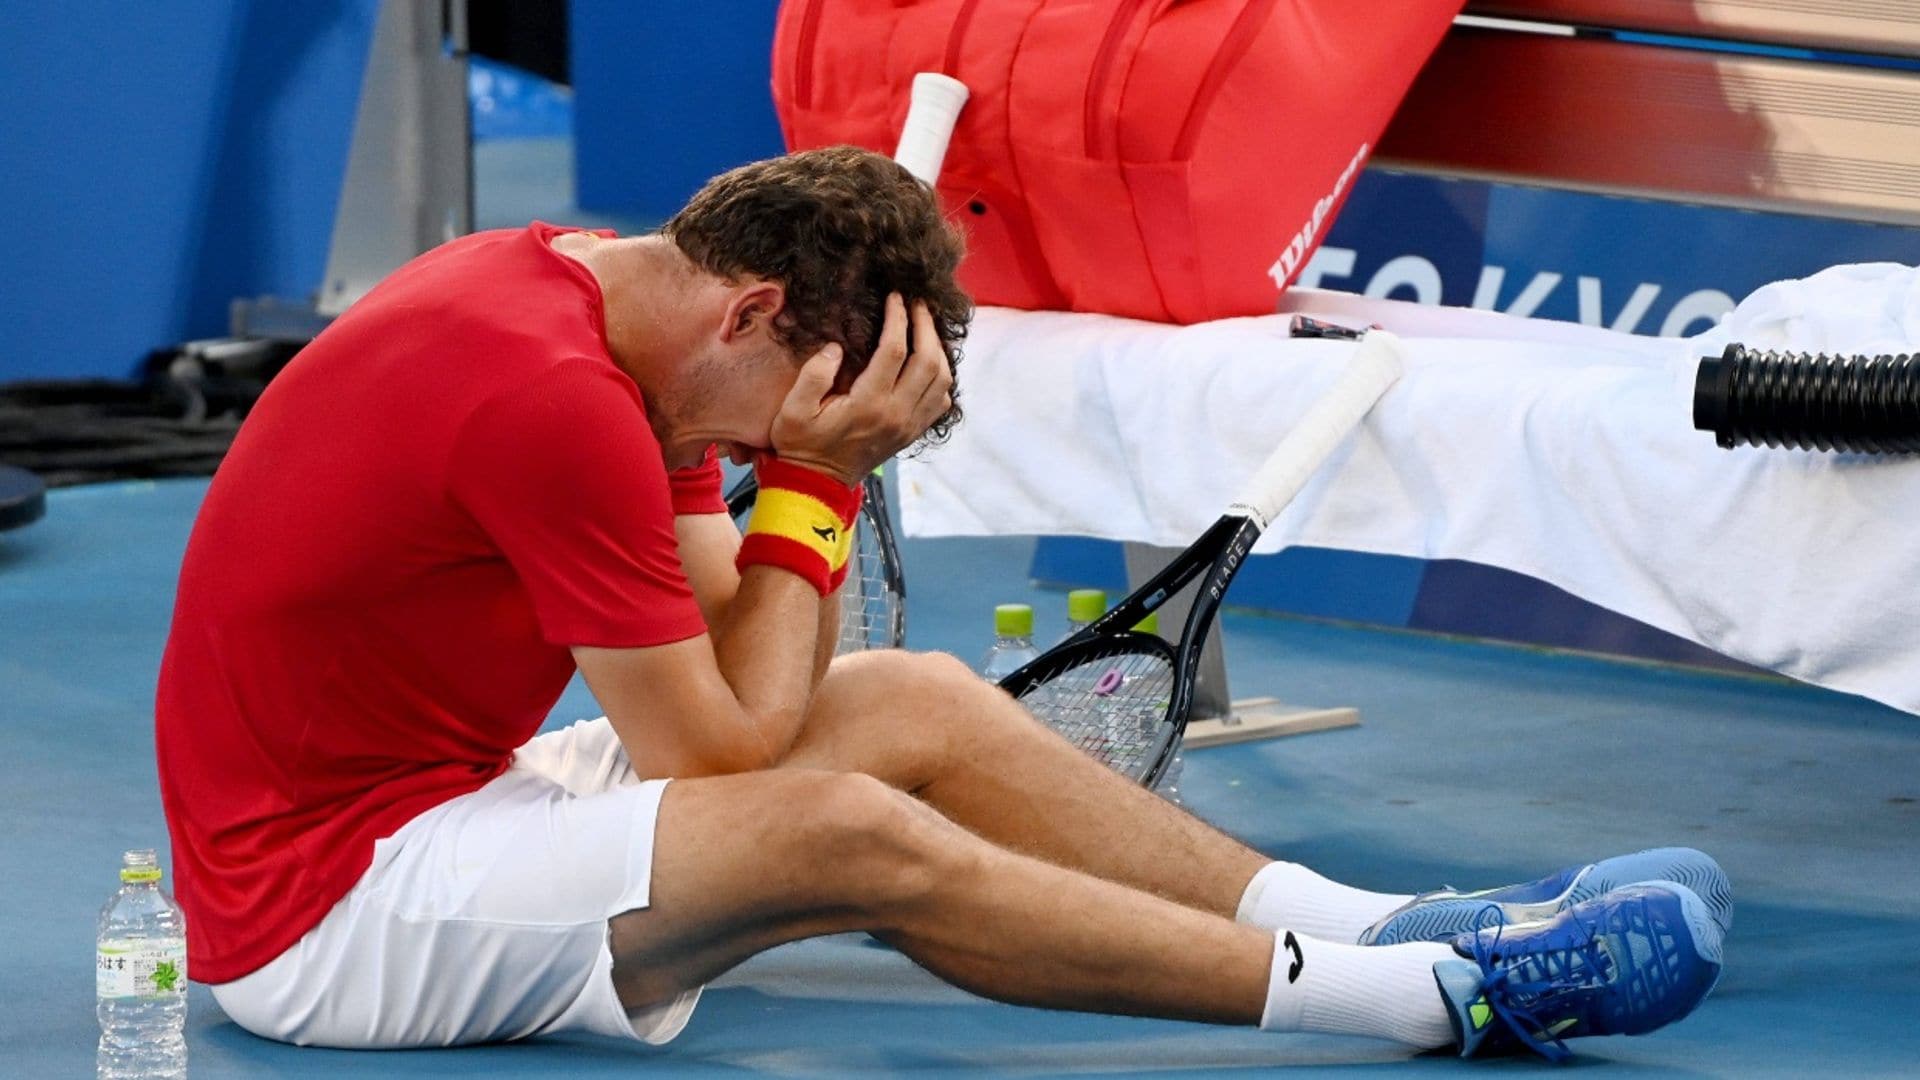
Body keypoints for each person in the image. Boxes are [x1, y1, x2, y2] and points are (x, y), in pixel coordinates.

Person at [156, 145, 1729, 1063]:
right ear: (754, 312)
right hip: (326, 919)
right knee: (848, 831)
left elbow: (744, 648)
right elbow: (726, 749)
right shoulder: (551, 402)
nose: (758, 454)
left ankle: (1375, 916)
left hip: (448, 805)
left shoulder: (602, 320)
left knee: (909, 702)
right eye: (787, 410)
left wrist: (794, 475)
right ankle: (1426, 1001)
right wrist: (822, 485)